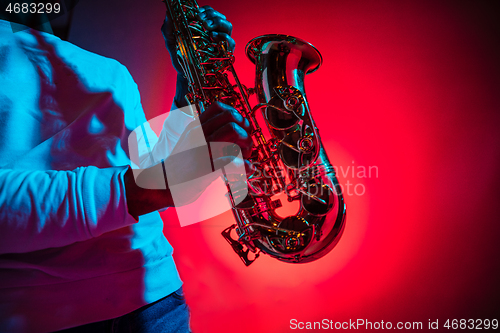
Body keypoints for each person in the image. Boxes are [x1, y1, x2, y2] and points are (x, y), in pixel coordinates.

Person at [0, 3, 251, 332]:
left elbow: (143, 171)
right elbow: (145, 186)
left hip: (156, 298)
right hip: (48, 315)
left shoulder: (88, 61)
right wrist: (154, 186)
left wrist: (191, 83)